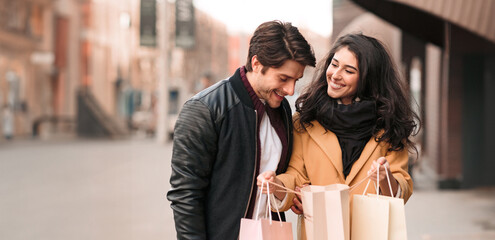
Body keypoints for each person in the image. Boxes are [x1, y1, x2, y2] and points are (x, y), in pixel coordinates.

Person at [258, 33, 420, 239]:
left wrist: (385, 179)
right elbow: (296, 175)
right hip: (321, 233)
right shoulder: (305, 121)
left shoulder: (389, 125)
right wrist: (277, 186)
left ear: (368, 78)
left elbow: (402, 189)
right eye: (334, 64)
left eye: (349, 70)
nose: (335, 74)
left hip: (371, 232)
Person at [166, 20, 316, 239]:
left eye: (296, 80)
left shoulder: (281, 108)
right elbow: (185, 196)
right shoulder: (205, 109)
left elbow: (281, 180)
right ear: (256, 63)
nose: (290, 90)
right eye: (283, 78)